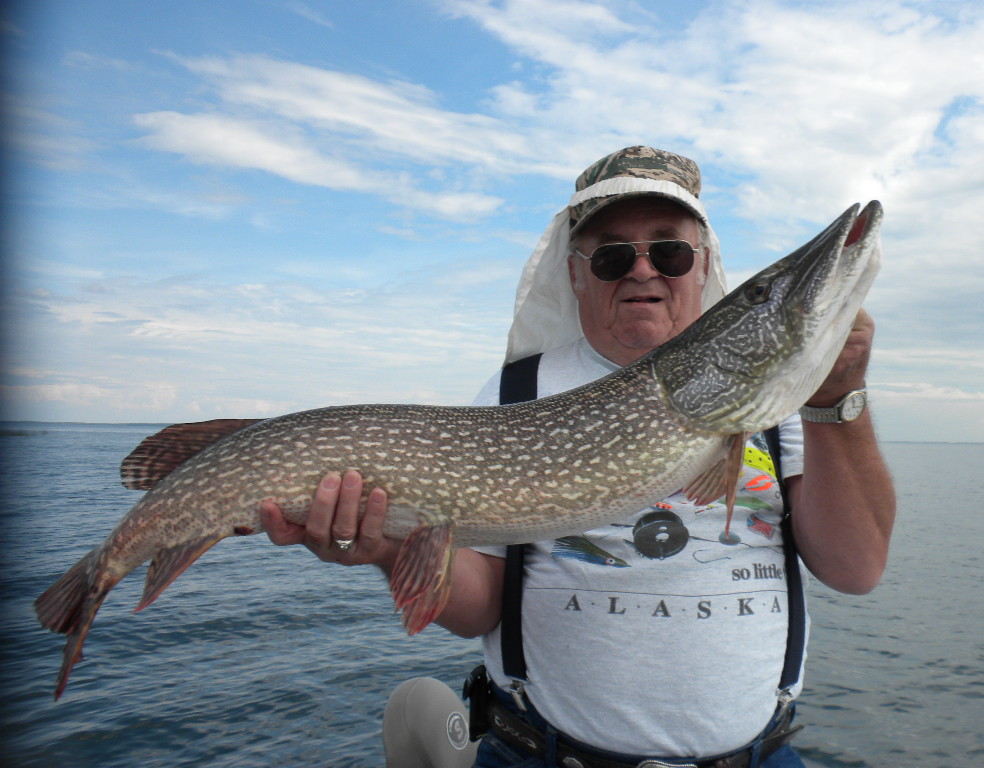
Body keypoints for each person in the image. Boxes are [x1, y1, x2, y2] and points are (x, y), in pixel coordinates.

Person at [261, 146, 896, 767]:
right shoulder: (514, 395)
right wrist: (389, 546)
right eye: (613, 255)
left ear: (702, 265)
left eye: (669, 250)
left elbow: (856, 569)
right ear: (574, 273)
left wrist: (837, 400)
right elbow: (478, 607)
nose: (642, 270)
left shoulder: (786, 402)